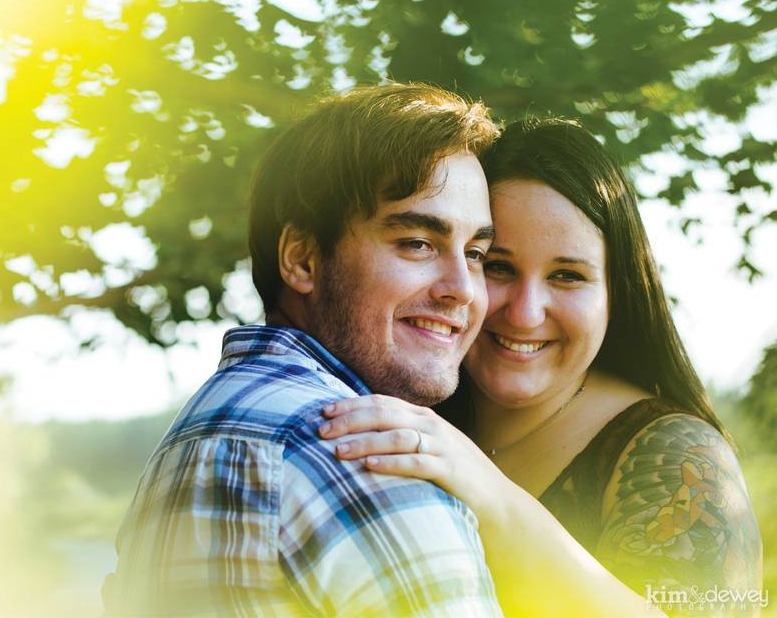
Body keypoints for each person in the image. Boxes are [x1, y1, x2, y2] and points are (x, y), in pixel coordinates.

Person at [320, 118, 763, 616]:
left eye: (567, 276)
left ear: (617, 294)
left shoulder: (678, 457)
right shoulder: (403, 413)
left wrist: (496, 499)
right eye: (497, 266)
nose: (526, 313)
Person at [102, 83, 505, 616]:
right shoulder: (365, 456)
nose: (463, 288)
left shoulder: (192, 442)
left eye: (476, 252)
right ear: (302, 260)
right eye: (417, 243)